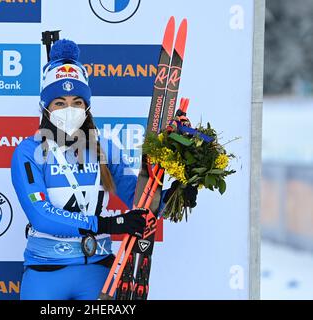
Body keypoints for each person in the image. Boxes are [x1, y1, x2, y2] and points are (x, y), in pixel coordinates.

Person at [11, 39, 197, 300]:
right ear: (45, 108)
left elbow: (140, 199)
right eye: (59, 103)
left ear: (86, 107)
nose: (69, 110)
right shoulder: (29, 152)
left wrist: (175, 195)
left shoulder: (105, 148)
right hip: (45, 272)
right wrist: (109, 223)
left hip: (99, 273)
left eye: (77, 102)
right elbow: (41, 215)